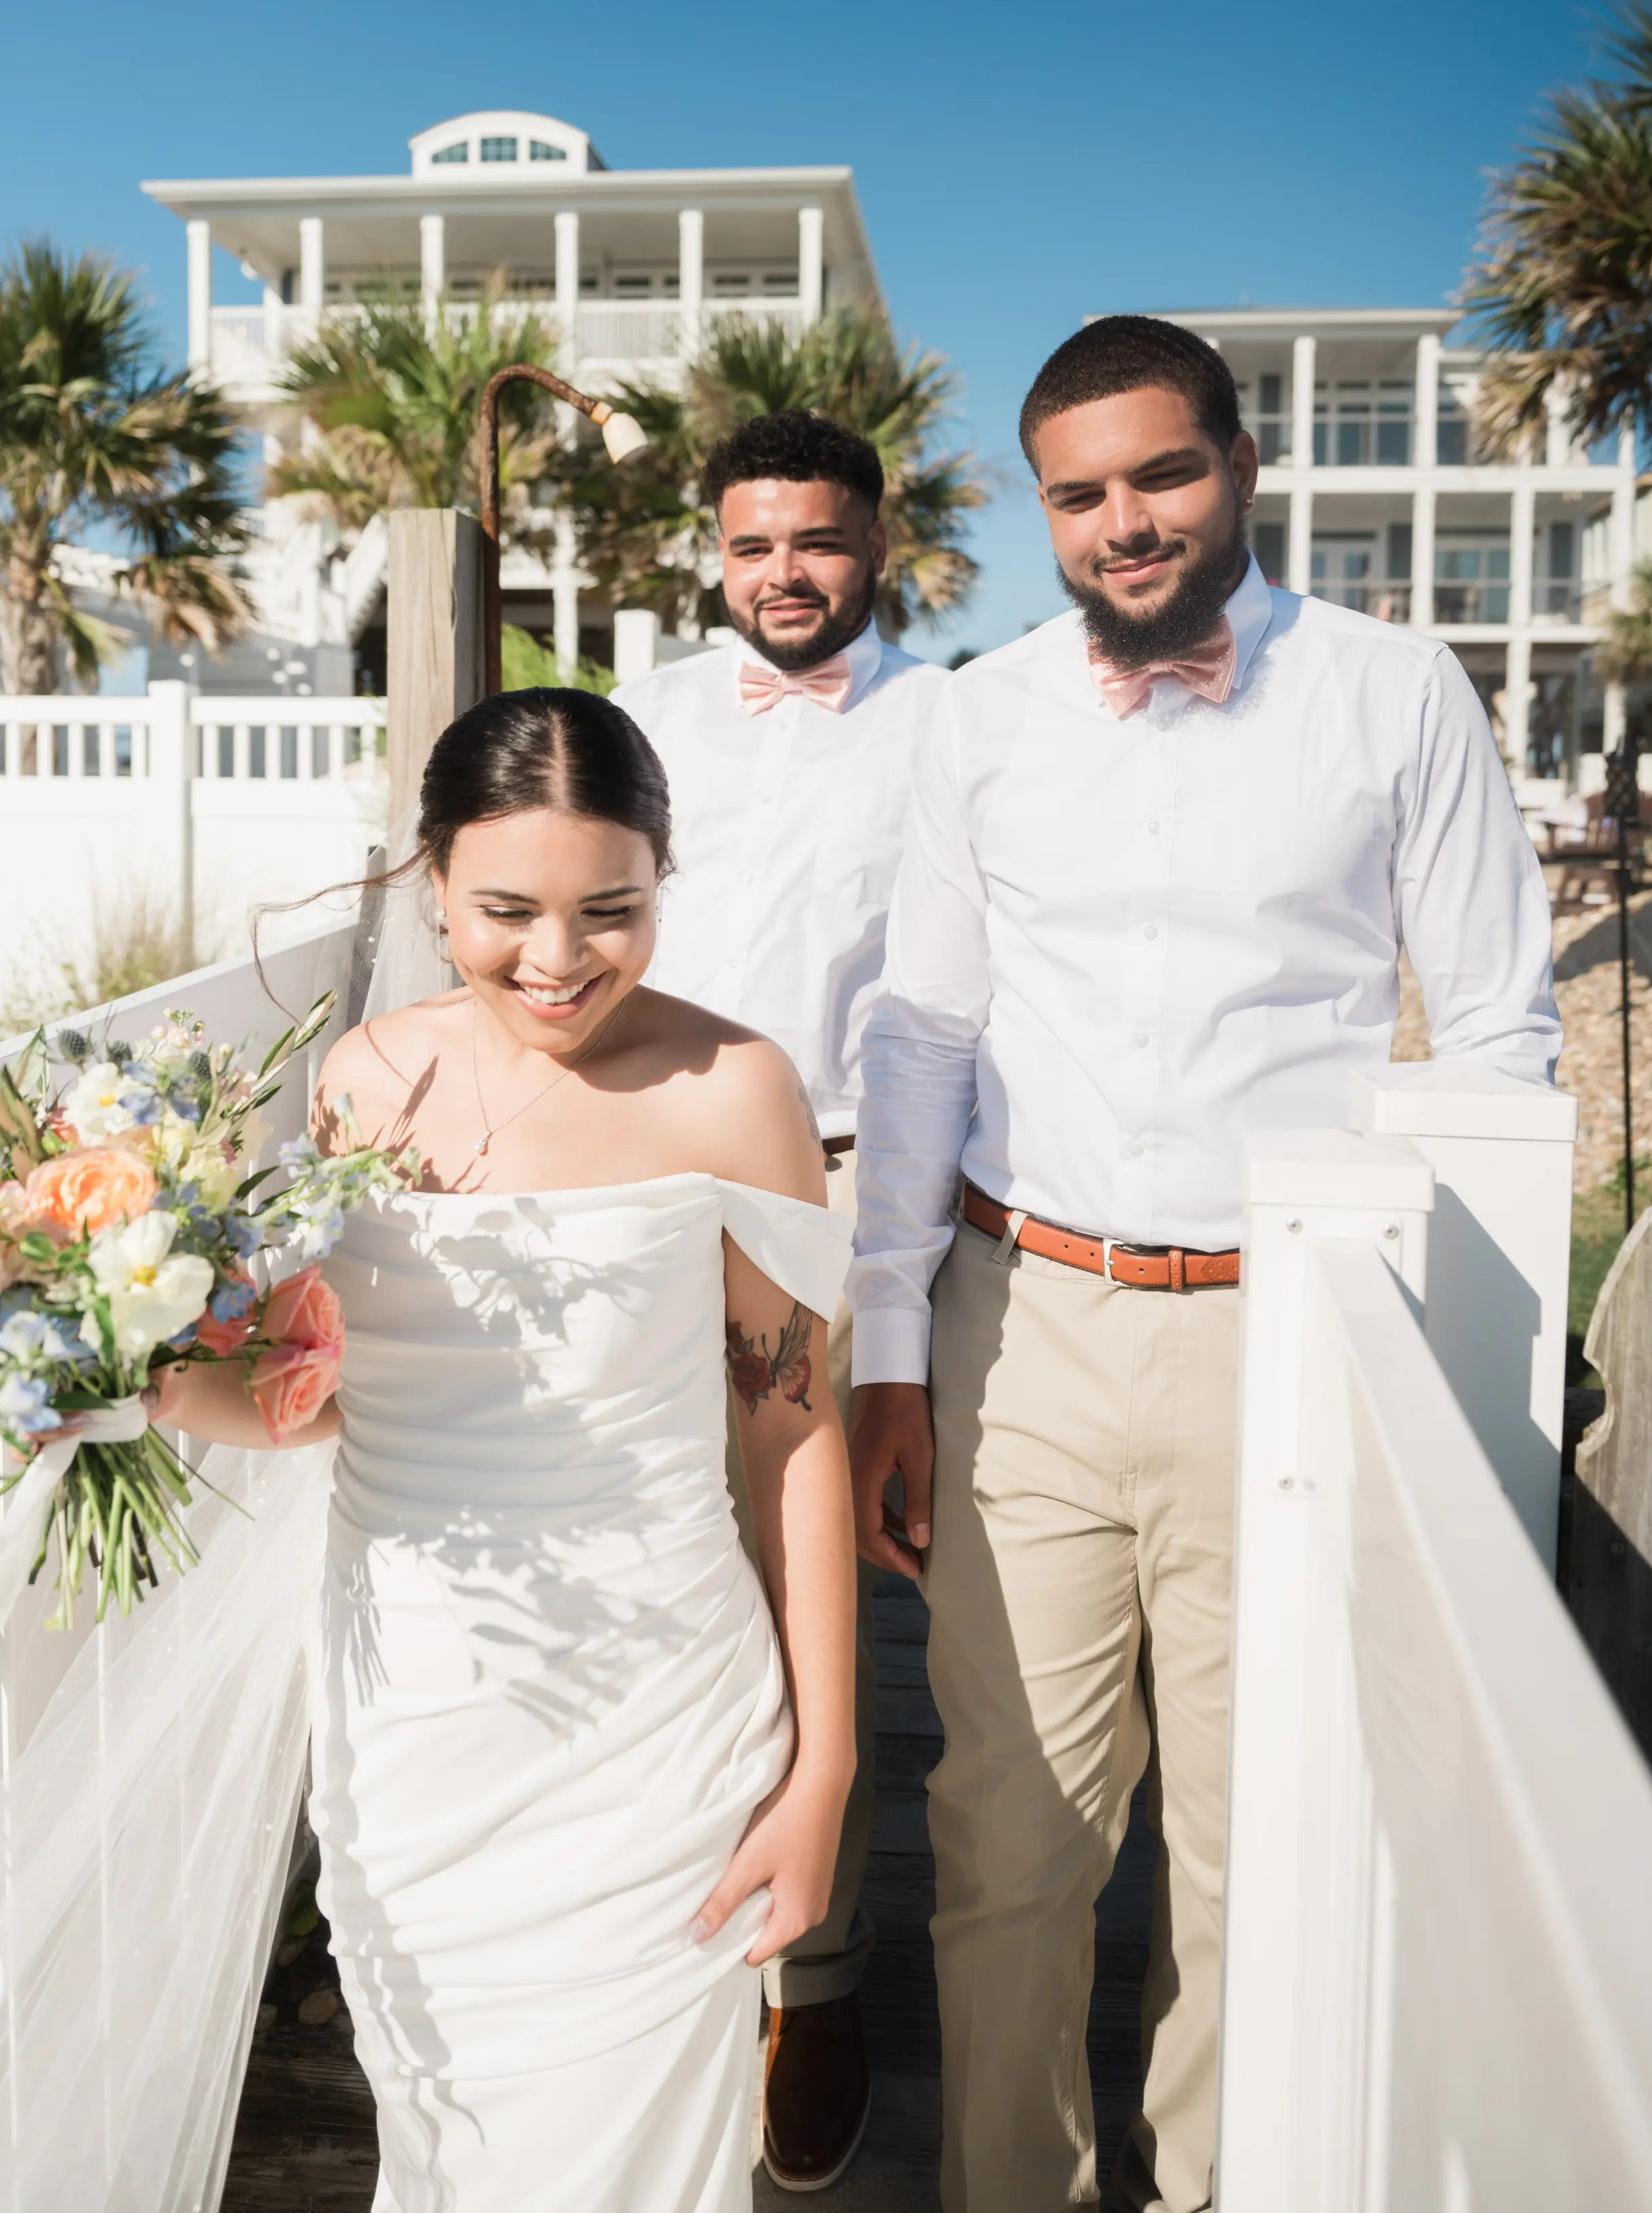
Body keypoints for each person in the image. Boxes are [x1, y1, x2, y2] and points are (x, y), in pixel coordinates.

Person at [846, 316, 1560, 2213]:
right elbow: (922, 1036)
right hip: (1029, 1327)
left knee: (1260, 1845)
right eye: (1079, 494)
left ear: (1240, 463)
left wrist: (1465, 1363)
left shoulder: (1401, 695)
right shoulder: (974, 721)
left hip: (1295, 1327)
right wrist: (889, 1349)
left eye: (1160, 474)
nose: (1124, 524)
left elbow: (1498, 1037)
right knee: (1010, 1832)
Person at [150, 686, 859, 2213]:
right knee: (450, 2148)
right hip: (410, 1722)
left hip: (657, 1731)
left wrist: (825, 1774)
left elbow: (790, 1425)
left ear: (663, 875)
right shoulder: (360, 1084)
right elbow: (321, 1397)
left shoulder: (736, 1092)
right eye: (505, 912)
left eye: (611, 909)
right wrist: (125, 1380)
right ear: (431, 883)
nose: (557, 960)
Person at [614, 407, 945, 2190]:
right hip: (651, 1194)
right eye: (752, 546)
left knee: (833, 1593)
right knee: (671, 1578)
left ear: (875, 545)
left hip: (843, 1200)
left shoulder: (951, 731)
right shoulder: (646, 722)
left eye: (815, 542)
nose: (784, 575)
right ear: (715, 553)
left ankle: (821, 1978)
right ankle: (672, 1944)